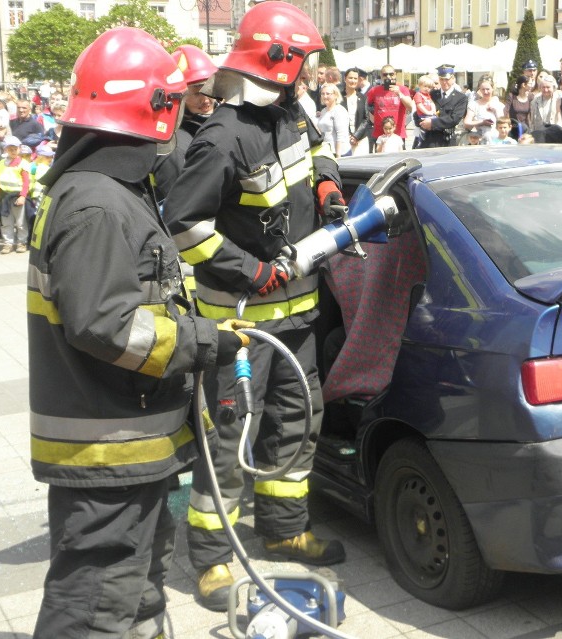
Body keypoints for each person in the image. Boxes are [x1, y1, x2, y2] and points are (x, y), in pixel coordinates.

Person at [27, 27, 252, 638]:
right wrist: (206, 342)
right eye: (175, 103)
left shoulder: (105, 192)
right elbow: (106, 327)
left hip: (127, 448)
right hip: (108, 454)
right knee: (96, 607)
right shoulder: (98, 206)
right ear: (153, 110)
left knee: (135, 596)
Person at [163, 2, 346, 612]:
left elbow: (317, 152)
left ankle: (283, 530)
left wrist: (326, 183)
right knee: (230, 437)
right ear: (279, 63)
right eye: (306, 64)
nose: (313, 76)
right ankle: (213, 560)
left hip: (297, 314)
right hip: (239, 322)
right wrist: (253, 270)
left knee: (296, 424)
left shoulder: (290, 114)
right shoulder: (223, 136)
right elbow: (184, 224)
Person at [151, 44, 218, 203]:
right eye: (196, 93)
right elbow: (181, 203)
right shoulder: (173, 147)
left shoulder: (212, 127)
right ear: (177, 97)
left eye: (209, 89)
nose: (206, 100)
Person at [419, 63, 469, 148]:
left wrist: (432, 123)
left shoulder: (461, 98)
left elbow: (454, 119)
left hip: (447, 140)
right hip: (429, 139)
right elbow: (419, 111)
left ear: (453, 79)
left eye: (447, 79)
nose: (444, 82)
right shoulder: (431, 94)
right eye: (441, 79)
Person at [0, 135, 31, 254]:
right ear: (5, 149)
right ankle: (8, 243)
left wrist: (23, 196)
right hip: (5, 196)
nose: (13, 151)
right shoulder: (2, 163)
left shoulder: (23, 163)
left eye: (15, 148)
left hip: (17, 196)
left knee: (21, 222)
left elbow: (26, 181)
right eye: (10, 149)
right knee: (6, 222)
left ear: (19, 149)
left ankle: (22, 242)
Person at [367, 64, 414, 151]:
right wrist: (373, 119)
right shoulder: (374, 90)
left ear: (395, 75)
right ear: (381, 76)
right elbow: (368, 107)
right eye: (385, 75)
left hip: (398, 133)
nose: (388, 76)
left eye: (391, 74)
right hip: (380, 134)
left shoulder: (403, 89)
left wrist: (399, 93)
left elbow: (410, 107)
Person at [464, 75, 505, 143]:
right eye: (483, 89)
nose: (485, 92)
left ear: (492, 88)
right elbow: (466, 123)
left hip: (497, 140)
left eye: (488, 89)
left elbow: (503, 123)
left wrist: (496, 111)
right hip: (480, 140)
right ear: (479, 89)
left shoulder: (499, 105)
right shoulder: (474, 104)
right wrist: (482, 122)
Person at [341, 67, 370, 155]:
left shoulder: (363, 97)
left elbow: (366, 118)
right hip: (344, 138)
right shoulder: (338, 98)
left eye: (355, 78)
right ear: (345, 79)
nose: (353, 81)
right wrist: (349, 135)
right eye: (350, 78)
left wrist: (356, 136)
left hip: (361, 139)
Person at [317, 82, 351, 158]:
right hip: (327, 152)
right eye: (323, 94)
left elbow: (341, 135)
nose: (325, 96)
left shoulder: (339, 111)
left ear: (335, 95)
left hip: (340, 153)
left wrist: (338, 156)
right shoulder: (323, 111)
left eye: (328, 94)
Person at [528, 73, 562, 142]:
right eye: (543, 87)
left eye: (548, 87)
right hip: (539, 136)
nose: (545, 90)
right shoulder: (535, 100)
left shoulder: (560, 97)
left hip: (556, 135)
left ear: (554, 87)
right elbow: (532, 120)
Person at [412, 74, 437, 148]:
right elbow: (419, 105)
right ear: (420, 86)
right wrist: (427, 112)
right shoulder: (418, 94)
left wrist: (433, 110)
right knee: (423, 129)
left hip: (429, 114)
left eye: (429, 87)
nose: (427, 89)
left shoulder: (428, 95)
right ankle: (420, 141)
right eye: (425, 86)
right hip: (422, 115)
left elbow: (432, 103)